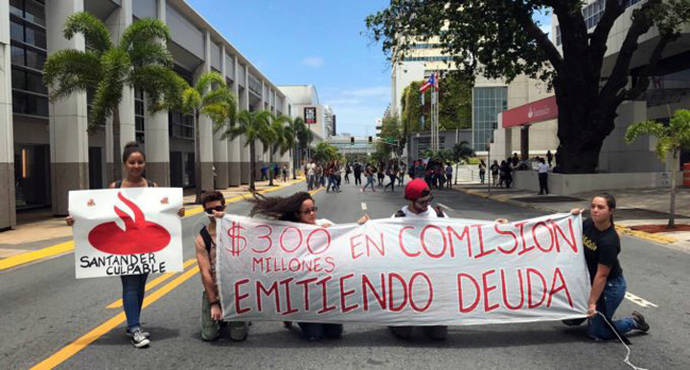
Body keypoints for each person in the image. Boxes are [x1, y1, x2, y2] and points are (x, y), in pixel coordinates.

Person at [65, 142, 185, 348]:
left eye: (140, 162)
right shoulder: (115, 187)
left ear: (145, 163)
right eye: (132, 162)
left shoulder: (154, 187)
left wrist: (178, 212)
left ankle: (133, 325)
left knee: (139, 286)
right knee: (130, 284)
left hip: (147, 246)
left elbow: (164, 213)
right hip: (123, 246)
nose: (136, 166)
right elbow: (99, 215)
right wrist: (76, 219)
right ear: (124, 164)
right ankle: (135, 327)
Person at [249, 192, 368, 341]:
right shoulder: (291, 231)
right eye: (307, 211)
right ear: (297, 214)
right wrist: (223, 219)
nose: (312, 214)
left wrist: (359, 225)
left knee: (335, 333)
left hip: (325, 293)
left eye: (314, 209)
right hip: (303, 293)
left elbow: (344, 237)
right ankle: (293, 314)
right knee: (314, 335)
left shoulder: (325, 224)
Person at [563, 194, 650, 340]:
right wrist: (571, 218)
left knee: (598, 333)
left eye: (600, 207)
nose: (595, 210)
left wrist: (592, 303)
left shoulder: (609, 241)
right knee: (570, 318)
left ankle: (633, 322)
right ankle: (581, 317)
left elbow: (601, 275)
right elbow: (569, 233)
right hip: (590, 281)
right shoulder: (589, 224)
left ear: (611, 211)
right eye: (593, 206)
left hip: (610, 287)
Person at [388, 178, 449, 340]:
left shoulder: (438, 215)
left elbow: (462, 234)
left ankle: (431, 320)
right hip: (408, 278)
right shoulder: (398, 218)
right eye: (422, 202)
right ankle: (398, 320)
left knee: (438, 335)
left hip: (434, 277)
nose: (426, 205)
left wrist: (495, 227)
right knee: (404, 333)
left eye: (429, 200)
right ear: (411, 201)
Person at [195, 191, 248, 341]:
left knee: (238, 336)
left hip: (235, 290)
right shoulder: (202, 239)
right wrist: (213, 303)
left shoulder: (239, 231)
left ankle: (241, 318)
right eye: (209, 211)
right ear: (204, 212)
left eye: (218, 208)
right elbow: (205, 272)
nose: (214, 213)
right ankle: (216, 314)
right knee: (209, 335)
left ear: (224, 207)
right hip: (214, 289)